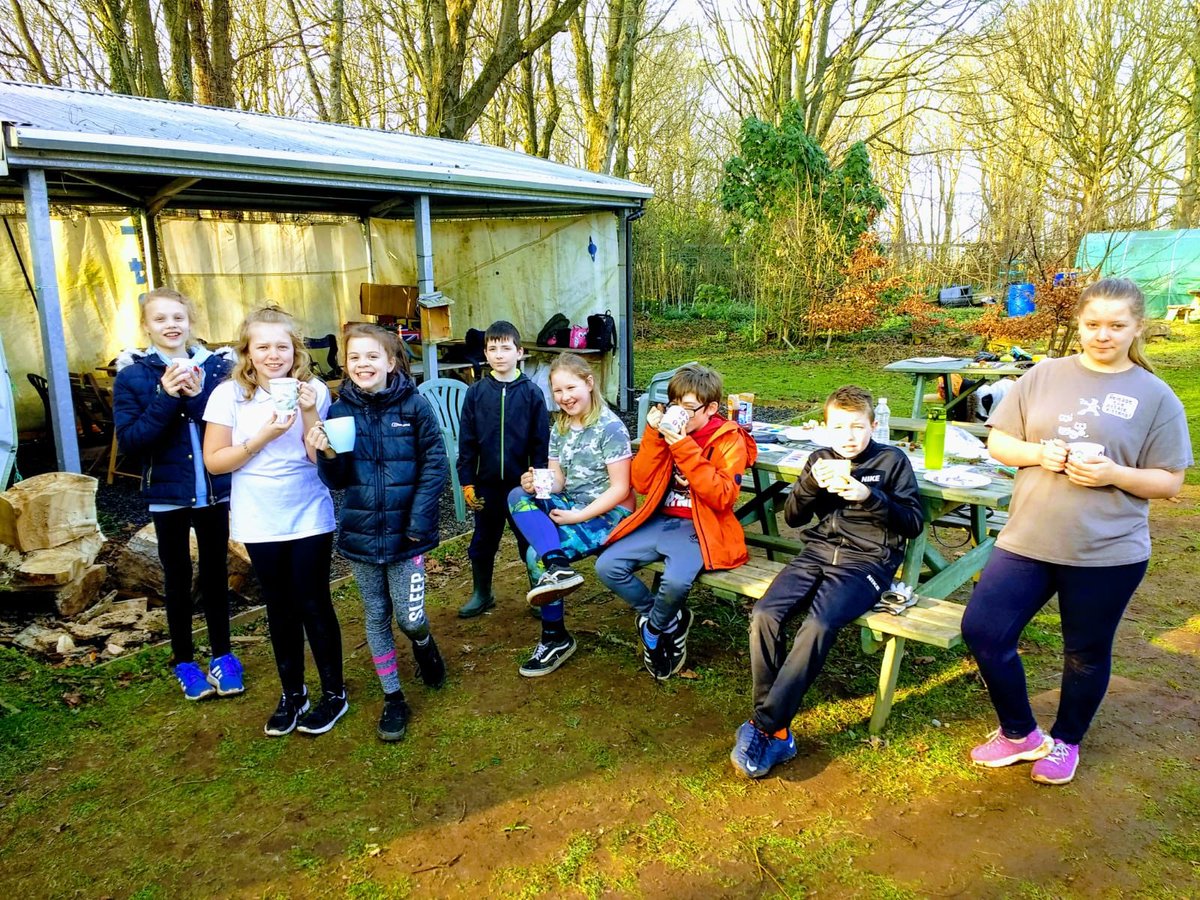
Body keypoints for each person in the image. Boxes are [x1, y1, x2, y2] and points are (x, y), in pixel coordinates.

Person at [962, 277, 1191, 785]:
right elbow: (1000, 442)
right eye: (1092, 325)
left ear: (1137, 329)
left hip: (1106, 551)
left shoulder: (1155, 397)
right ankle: (1020, 733)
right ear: (1078, 324)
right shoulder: (1043, 375)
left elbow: (1170, 481)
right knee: (983, 631)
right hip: (1028, 538)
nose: (1103, 335)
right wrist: (1038, 453)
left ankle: (1066, 741)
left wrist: (1114, 474)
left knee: (1084, 653)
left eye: (1116, 326)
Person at [731, 385, 924, 778]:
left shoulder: (891, 461)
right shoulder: (820, 458)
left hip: (867, 563)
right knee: (766, 613)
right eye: (839, 428)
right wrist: (809, 485)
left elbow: (913, 523)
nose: (848, 437)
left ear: (873, 425)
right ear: (826, 427)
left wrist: (869, 495)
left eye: (857, 427)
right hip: (817, 553)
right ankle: (777, 727)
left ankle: (765, 726)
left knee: (818, 625)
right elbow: (794, 518)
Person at [203, 306, 348, 737]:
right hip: (258, 514)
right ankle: (293, 692)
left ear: (295, 350)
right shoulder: (228, 395)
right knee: (279, 605)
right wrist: (262, 436)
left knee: (314, 601)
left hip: (308, 510)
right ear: (247, 351)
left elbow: (316, 457)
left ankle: (334, 693)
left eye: (281, 346)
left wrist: (308, 413)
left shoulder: (315, 390)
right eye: (262, 346)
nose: (272, 355)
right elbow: (214, 463)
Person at [307, 324, 449, 742]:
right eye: (354, 358)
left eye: (372, 356)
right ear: (346, 366)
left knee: (410, 616)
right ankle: (394, 698)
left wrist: (420, 522)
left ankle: (423, 644)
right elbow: (337, 480)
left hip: (409, 535)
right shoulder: (339, 411)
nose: (363, 364)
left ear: (390, 361)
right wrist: (326, 452)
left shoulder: (415, 406)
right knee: (376, 615)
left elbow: (435, 464)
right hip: (361, 536)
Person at [112, 287, 241, 701]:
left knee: (217, 572)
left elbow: (226, 423)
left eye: (178, 318)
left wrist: (197, 391)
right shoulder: (133, 376)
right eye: (160, 319)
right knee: (177, 577)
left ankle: (223, 655)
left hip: (215, 491)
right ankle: (185, 661)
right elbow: (133, 442)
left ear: (190, 322)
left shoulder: (218, 368)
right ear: (146, 326)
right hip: (169, 494)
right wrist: (165, 396)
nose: (171, 325)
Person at [595, 364, 757, 679]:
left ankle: (653, 631)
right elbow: (640, 483)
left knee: (677, 581)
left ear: (711, 408)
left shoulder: (728, 438)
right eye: (674, 405)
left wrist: (682, 445)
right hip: (662, 519)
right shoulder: (665, 430)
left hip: (701, 526)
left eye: (688, 408)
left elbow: (723, 496)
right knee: (607, 566)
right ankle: (671, 621)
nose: (679, 414)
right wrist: (655, 436)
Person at [507, 353, 634, 676]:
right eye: (558, 391)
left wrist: (578, 517)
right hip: (573, 502)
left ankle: (555, 638)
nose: (565, 397)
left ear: (589, 383)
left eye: (571, 387)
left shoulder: (611, 427)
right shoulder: (560, 426)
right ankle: (558, 565)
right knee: (517, 494)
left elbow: (621, 489)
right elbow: (558, 481)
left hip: (609, 512)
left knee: (535, 555)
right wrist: (536, 484)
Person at [456, 321, 550, 618]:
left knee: (529, 540)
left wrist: (539, 481)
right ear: (485, 353)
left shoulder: (532, 393)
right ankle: (482, 593)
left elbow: (541, 444)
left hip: (522, 487)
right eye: (492, 348)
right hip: (487, 486)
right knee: (483, 541)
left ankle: (540, 590)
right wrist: (467, 481)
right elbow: (467, 442)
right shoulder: (476, 393)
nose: (499, 355)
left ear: (519, 352)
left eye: (506, 348)